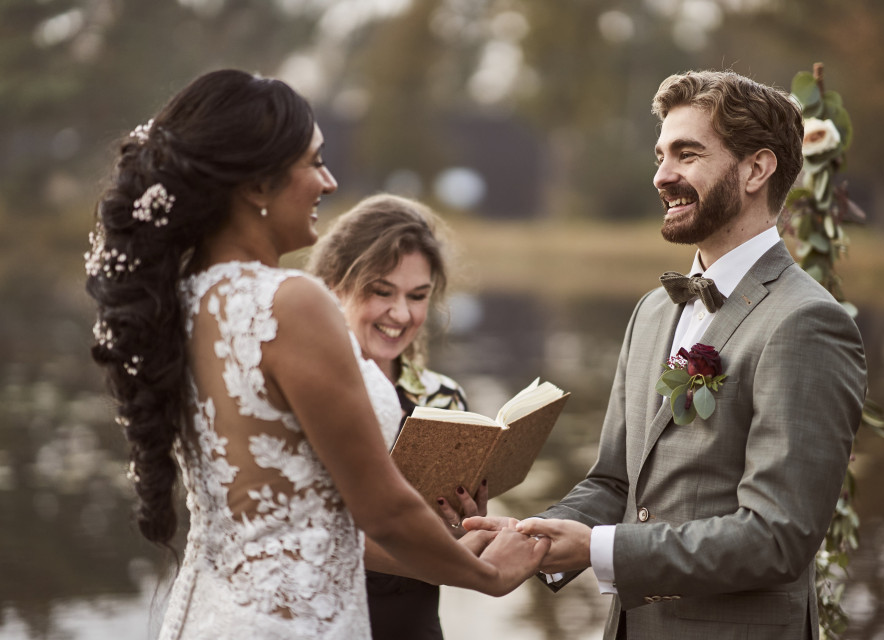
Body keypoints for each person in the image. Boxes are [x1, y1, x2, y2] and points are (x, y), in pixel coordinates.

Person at [84, 69, 548, 640]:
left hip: (209, 615)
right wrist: (485, 575)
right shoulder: (290, 301)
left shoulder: (180, 302)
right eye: (313, 162)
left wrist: (451, 539)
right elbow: (380, 510)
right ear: (257, 184)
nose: (328, 182)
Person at [466, 70, 867, 639]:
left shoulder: (807, 323)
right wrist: (531, 536)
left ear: (756, 169)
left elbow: (776, 538)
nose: (662, 176)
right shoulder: (653, 311)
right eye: (660, 155)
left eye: (687, 154)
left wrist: (602, 549)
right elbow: (613, 483)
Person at [306, 194, 482, 640]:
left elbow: (458, 539)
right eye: (381, 292)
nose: (401, 314)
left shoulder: (445, 399)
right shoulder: (300, 391)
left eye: (418, 296)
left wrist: (467, 523)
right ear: (333, 285)